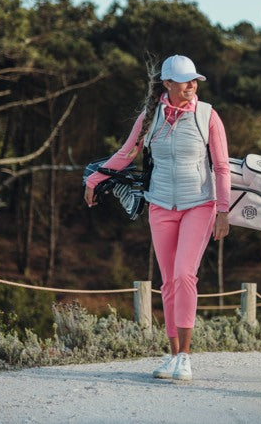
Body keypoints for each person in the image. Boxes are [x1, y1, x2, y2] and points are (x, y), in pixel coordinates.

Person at [84, 54, 230, 381]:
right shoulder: (151, 118)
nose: (191, 85)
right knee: (167, 282)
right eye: (184, 80)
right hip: (160, 205)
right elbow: (126, 154)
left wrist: (223, 210)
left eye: (194, 79)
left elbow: (221, 167)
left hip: (200, 204)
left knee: (183, 274)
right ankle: (174, 354)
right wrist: (94, 179)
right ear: (167, 84)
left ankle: (187, 358)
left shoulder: (207, 115)